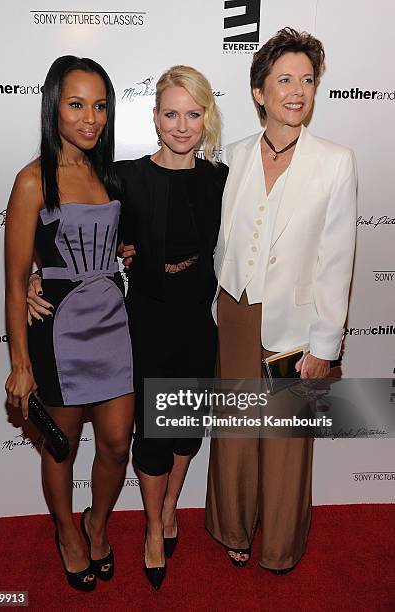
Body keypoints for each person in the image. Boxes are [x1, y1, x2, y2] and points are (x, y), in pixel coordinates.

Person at [28, 65, 228, 589]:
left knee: (186, 429)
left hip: (197, 321)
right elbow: (70, 229)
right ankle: (151, 530)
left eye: (193, 113)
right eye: (170, 113)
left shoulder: (222, 178)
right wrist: (35, 276)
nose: (182, 125)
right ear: (155, 118)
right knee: (147, 433)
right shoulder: (123, 176)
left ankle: (166, 512)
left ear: (207, 118)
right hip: (139, 322)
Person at [205, 28, 357, 573]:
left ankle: (280, 546)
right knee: (236, 431)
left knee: (287, 439)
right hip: (235, 313)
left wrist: (325, 344)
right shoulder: (234, 155)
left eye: (307, 80)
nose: (297, 91)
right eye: (284, 79)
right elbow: (215, 235)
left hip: (297, 320)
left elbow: (337, 259)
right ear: (258, 91)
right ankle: (233, 527)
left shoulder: (335, 161)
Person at [4, 56, 134, 592]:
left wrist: (124, 250)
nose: (90, 118)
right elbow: (15, 281)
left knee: (116, 444)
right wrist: (20, 364)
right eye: (76, 104)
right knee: (62, 444)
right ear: (53, 106)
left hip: (113, 323)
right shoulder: (32, 181)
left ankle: (97, 523)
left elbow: (115, 241)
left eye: (99, 106)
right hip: (59, 333)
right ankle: (67, 533)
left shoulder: (110, 173)